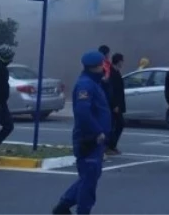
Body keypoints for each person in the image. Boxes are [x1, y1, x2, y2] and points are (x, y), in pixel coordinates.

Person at [52, 51, 112, 215]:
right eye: (103, 65)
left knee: (90, 177)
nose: (105, 68)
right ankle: (81, 211)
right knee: (89, 181)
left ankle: (63, 206)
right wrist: (97, 131)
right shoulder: (86, 85)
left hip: (95, 139)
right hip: (89, 139)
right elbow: (83, 112)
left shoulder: (94, 83)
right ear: (96, 67)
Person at [106, 53, 126, 156]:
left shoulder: (117, 72)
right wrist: (115, 105)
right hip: (114, 105)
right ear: (118, 61)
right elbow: (112, 91)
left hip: (118, 104)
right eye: (122, 60)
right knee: (117, 124)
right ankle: (109, 146)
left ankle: (112, 146)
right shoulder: (112, 73)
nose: (123, 63)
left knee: (117, 124)